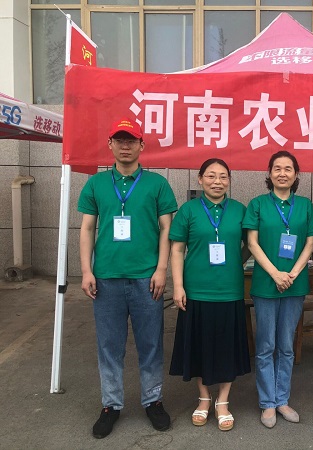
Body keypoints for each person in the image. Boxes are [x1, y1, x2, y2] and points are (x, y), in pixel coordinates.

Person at [78, 117, 178, 439]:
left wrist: (161, 269)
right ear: (110, 144)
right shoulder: (96, 184)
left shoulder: (157, 184)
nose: (125, 145)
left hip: (147, 279)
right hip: (106, 278)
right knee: (109, 345)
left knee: (151, 343)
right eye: (119, 140)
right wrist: (86, 270)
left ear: (141, 145)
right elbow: (87, 228)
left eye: (131, 140)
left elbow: (167, 228)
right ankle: (111, 405)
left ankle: (153, 400)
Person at [169, 158, 251, 432]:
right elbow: (177, 249)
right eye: (211, 176)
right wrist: (178, 286)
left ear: (229, 180)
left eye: (223, 176)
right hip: (196, 290)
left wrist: (236, 262)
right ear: (200, 179)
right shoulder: (188, 210)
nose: (218, 181)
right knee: (199, 346)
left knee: (227, 348)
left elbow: (250, 244)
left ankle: (223, 401)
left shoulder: (239, 210)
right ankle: (204, 398)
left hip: (230, 291)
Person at [242, 150, 313, 428]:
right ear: (269, 173)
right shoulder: (258, 204)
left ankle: (282, 398)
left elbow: (310, 243)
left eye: (288, 169)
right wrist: (275, 273)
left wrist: (293, 273)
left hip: (294, 285)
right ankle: (267, 402)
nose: (282, 173)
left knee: (286, 345)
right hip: (266, 284)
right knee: (265, 345)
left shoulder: (305, 206)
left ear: (296, 175)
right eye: (277, 168)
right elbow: (252, 243)